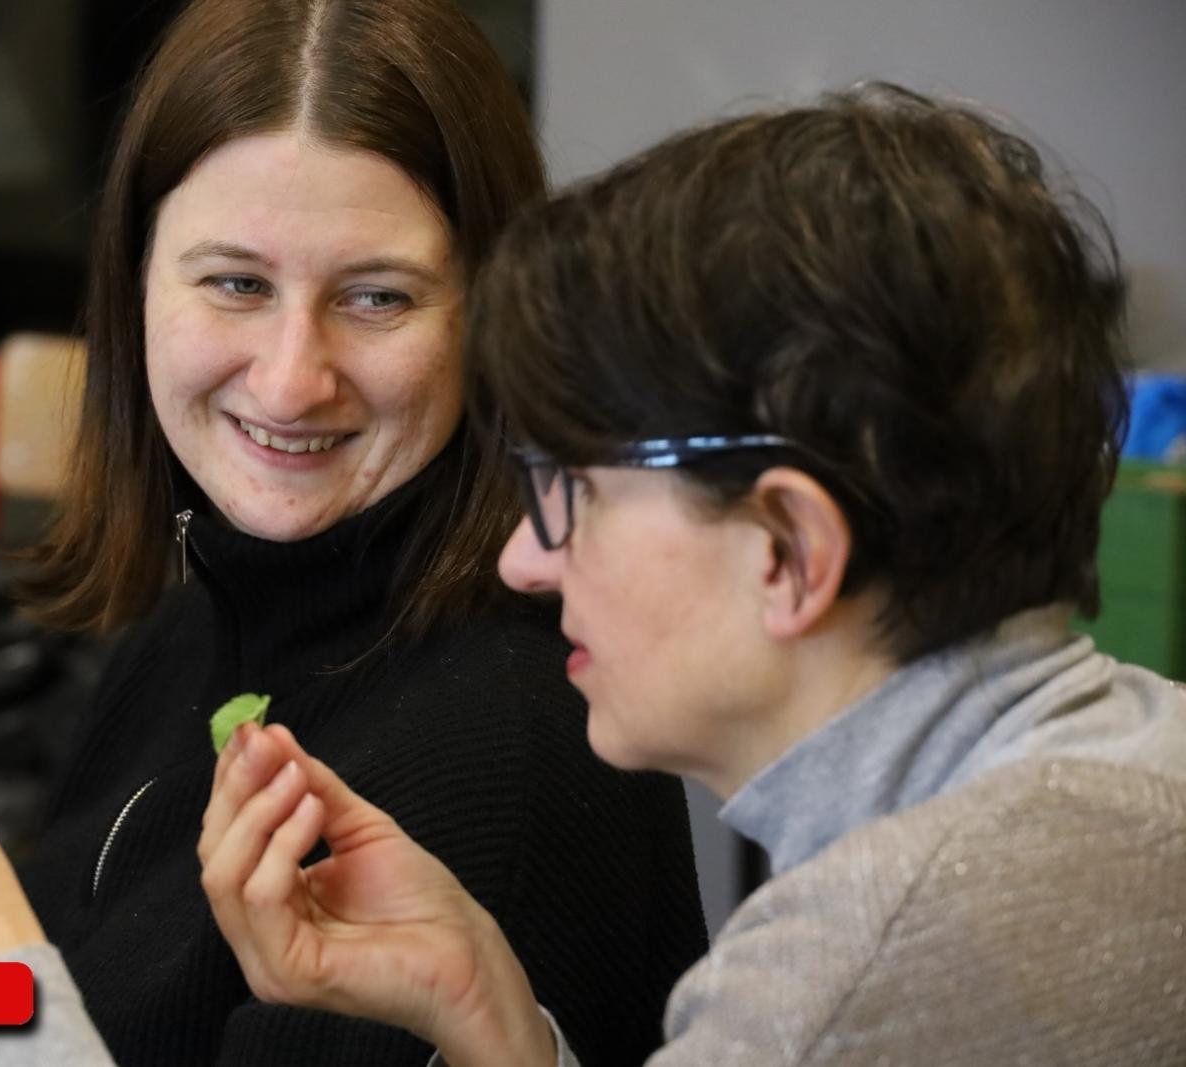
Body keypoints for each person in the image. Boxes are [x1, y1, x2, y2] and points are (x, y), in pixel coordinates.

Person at [0, 1, 709, 1064]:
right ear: (133, 284)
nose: (288, 378)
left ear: (486, 314)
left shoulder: (503, 738)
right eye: (235, 283)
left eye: (375, 297)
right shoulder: (187, 633)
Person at [195, 84, 1186, 1065]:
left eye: (570, 488)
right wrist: (485, 1010)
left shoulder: (840, 973)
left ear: (788, 547)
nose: (522, 558)